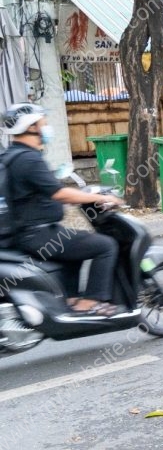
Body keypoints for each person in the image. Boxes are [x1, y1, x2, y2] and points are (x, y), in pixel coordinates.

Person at [2, 104, 122, 316]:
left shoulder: (13, 155)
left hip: (29, 232)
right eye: (43, 123)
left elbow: (35, 193)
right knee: (105, 245)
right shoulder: (28, 159)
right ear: (31, 128)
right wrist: (99, 197)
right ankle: (91, 302)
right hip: (39, 234)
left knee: (76, 245)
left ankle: (72, 299)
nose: (47, 127)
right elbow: (59, 193)